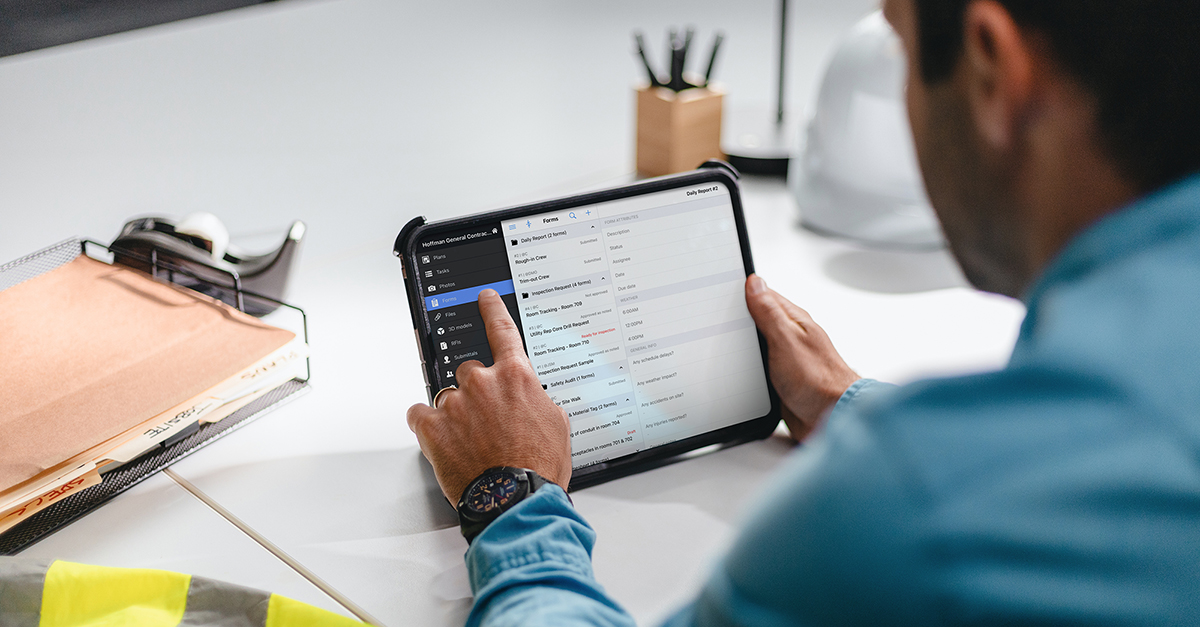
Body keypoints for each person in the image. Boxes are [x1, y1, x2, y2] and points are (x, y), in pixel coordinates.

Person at [407, 0, 1200, 623]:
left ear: (991, 65)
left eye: (899, 44)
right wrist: (847, 401)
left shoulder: (907, 506)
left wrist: (511, 496)